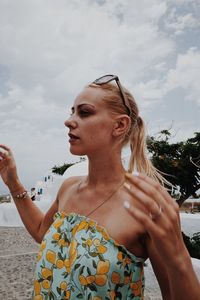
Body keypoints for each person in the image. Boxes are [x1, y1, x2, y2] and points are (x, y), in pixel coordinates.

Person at [0, 74, 199, 300]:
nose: (69, 120)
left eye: (84, 112)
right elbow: (40, 232)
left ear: (120, 125)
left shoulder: (143, 205)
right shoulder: (68, 188)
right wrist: (13, 183)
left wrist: (180, 260)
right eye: (72, 111)